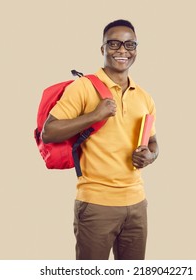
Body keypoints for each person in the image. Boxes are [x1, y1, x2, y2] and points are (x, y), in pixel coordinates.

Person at [41, 19, 159, 260]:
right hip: (96, 204)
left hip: (137, 204)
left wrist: (150, 155)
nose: (122, 50)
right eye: (114, 44)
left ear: (136, 49)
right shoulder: (83, 88)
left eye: (130, 44)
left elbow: (154, 142)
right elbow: (49, 131)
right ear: (102, 48)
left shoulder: (144, 96)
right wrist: (95, 115)